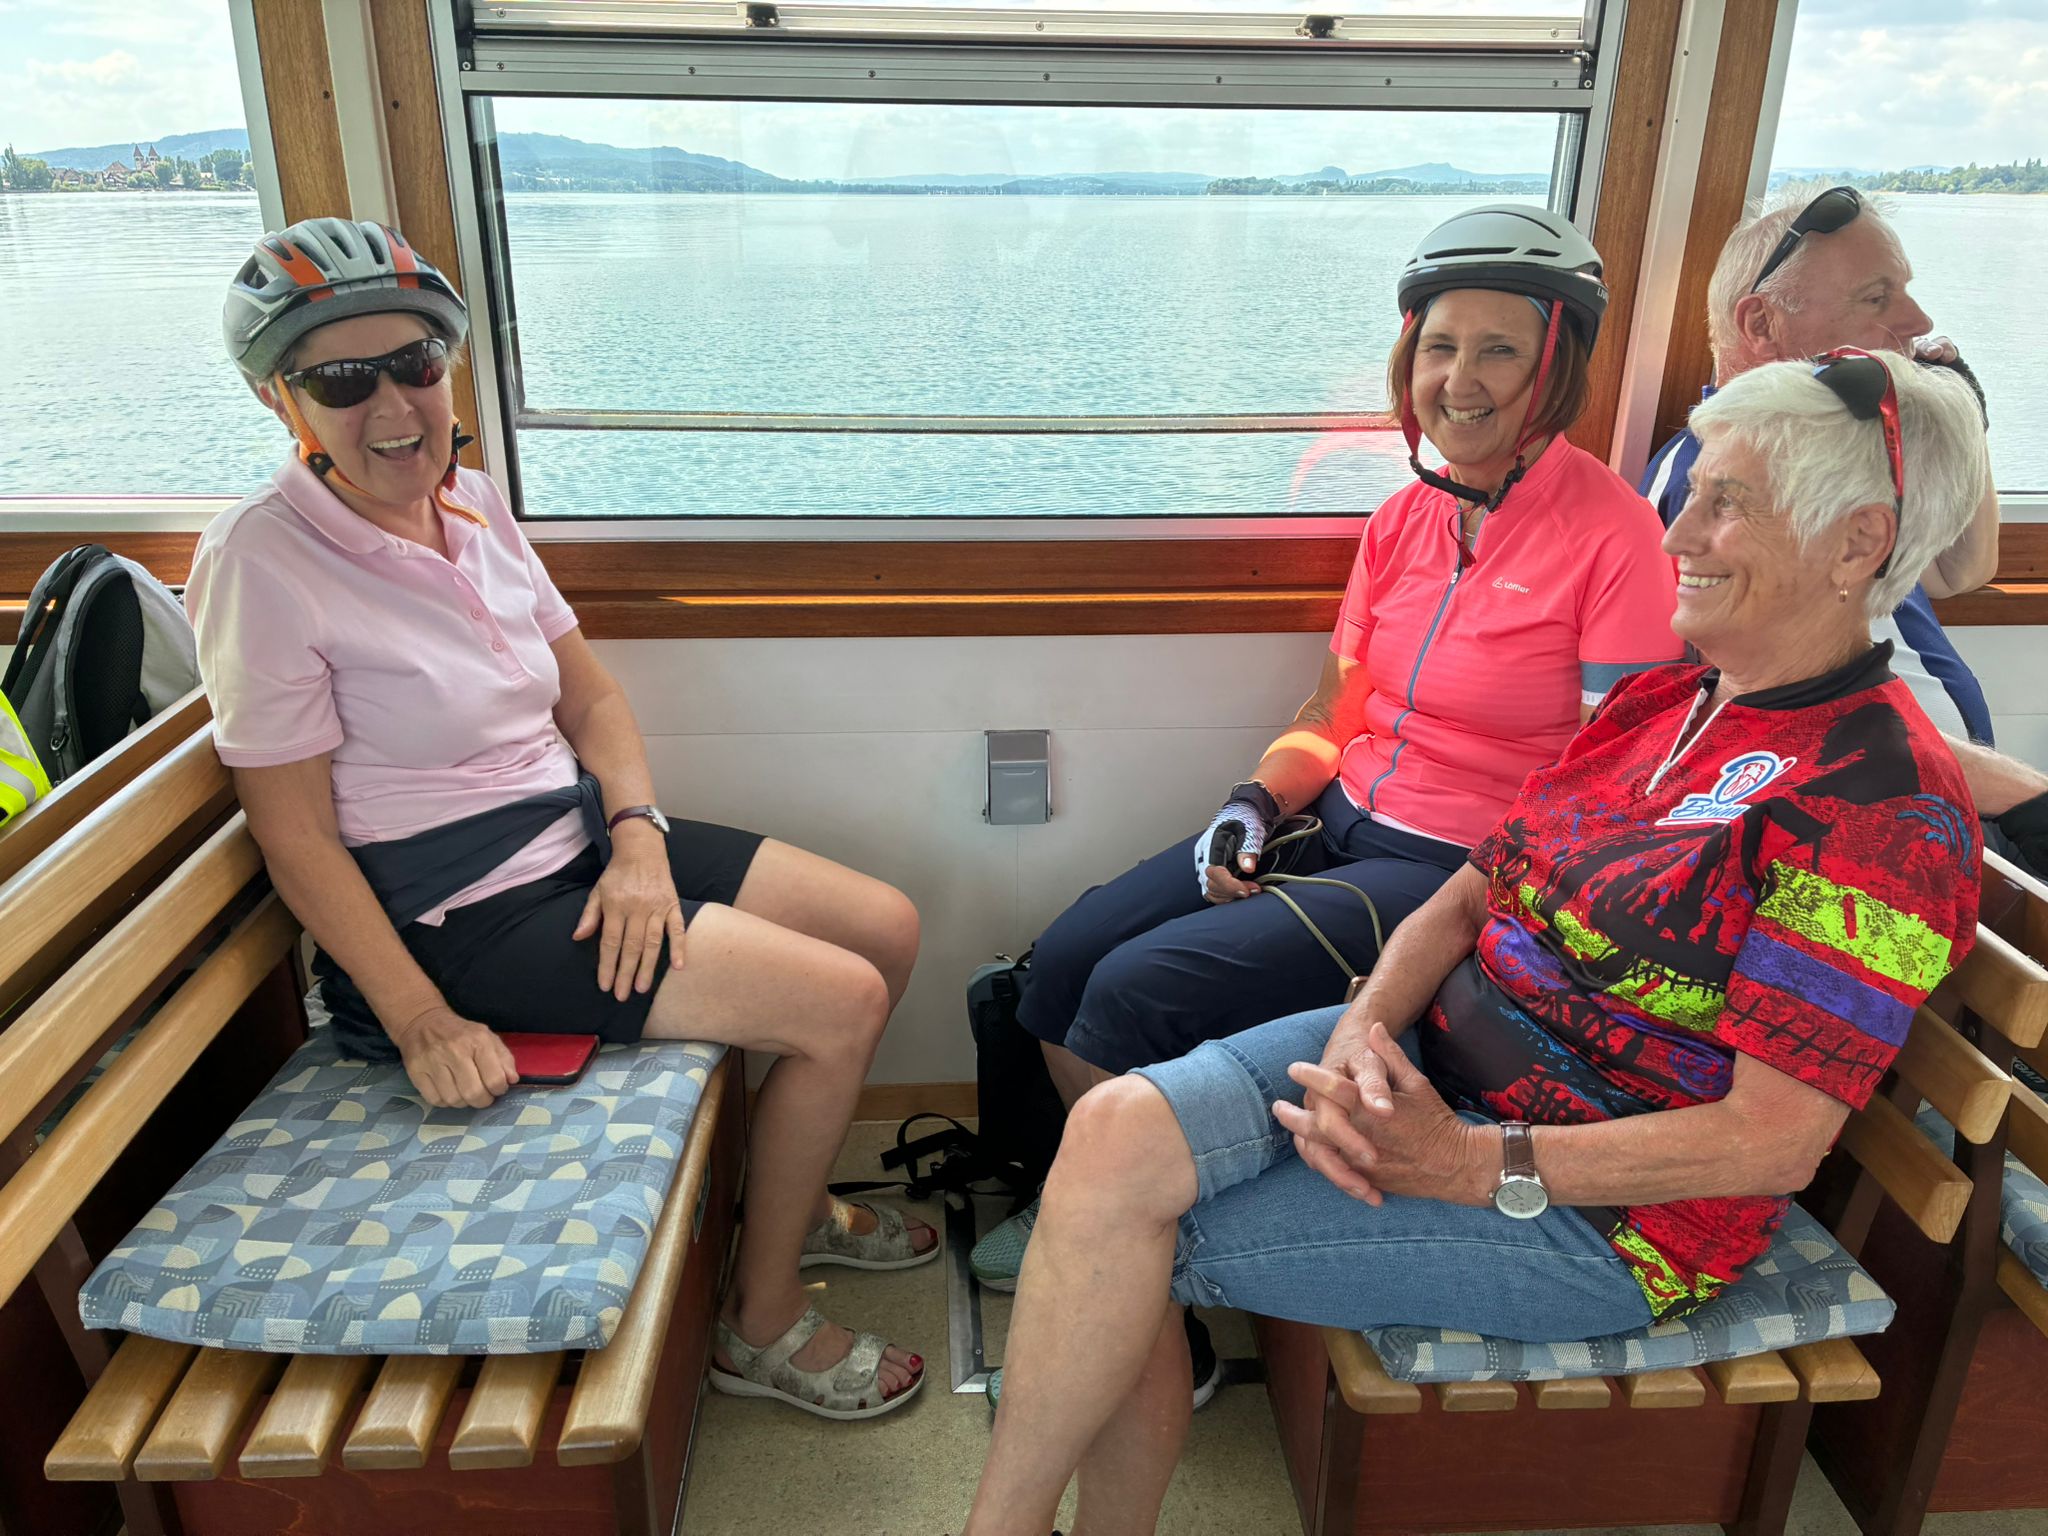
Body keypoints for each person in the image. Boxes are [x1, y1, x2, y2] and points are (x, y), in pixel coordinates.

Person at [966, 351, 1988, 1535]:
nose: (1675, 534)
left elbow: (1772, 1141)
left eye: (1726, 503)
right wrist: (1363, 1027)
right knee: (1109, 1135)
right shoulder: (1667, 702)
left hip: (1602, 1222)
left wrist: (1463, 1162)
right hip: (1431, 1065)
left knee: (1120, 1227)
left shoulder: (1878, 809)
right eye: (1691, 493)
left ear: (1857, 543)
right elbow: (1467, 891)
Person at [190, 218, 933, 1422]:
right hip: (463, 914)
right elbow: (296, 837)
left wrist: (637, 837)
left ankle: (783, 1205)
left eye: (414, 365)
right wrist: (421, 1018)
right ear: (282, 402)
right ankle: (757, 1324)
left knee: (884, 926)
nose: (393, 405)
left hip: (579, 838)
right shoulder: (261, 561)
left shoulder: (473, 503)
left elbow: (589, 699)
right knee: (837, 1002)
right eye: (342, 381)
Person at [971, 206, 1683, 1317]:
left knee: (1132, 994)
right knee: (1062, 961)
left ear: (1557, 367)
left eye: (1499, 350)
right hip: (1336, 818)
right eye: (1440, 346)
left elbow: (1615, 785)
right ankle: (1097, 1215)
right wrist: (1254, 802)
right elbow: (1331, 710)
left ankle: (1135, 1270)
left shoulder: (1614, 535)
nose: (1460, 380)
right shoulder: (1402, 520)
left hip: (1459, 866)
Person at [1640, 185, 2048, 874]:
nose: (1917, 320)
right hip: (1892, 818)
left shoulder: (1838, 467)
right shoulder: (1728, 487)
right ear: (1762, 325)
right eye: (1877, 298)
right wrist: (2018, 793)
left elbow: (1960, 571)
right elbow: (1762, 714)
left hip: (1951, 794)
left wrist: (1961, 419)